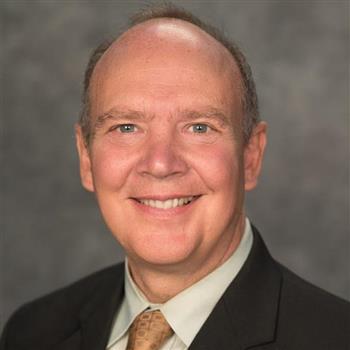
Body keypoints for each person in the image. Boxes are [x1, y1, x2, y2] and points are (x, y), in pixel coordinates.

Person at [1, 3, 349, 350]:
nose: (161, 163)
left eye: (199, 127)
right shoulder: (31, 333)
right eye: (126, 127)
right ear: (86, 158)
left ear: (250, 156)